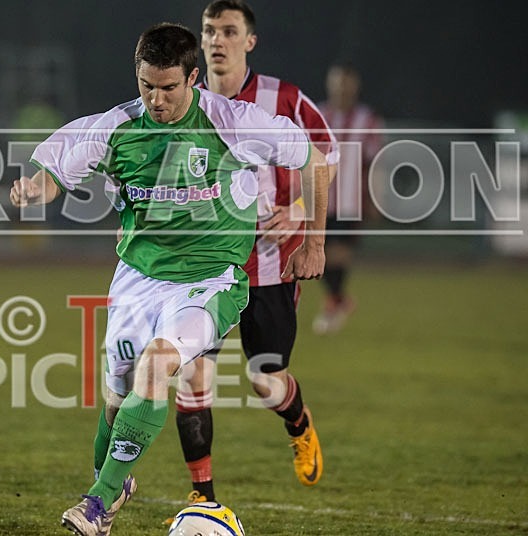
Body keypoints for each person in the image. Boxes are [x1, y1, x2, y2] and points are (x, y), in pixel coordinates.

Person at [10, 22, 330, 536]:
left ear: (193, 78)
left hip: (211, 280)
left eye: (168, 88)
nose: (156, 100)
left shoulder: (234, 122)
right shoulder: (116, 127)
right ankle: (113, 485)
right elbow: (56, 173)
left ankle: (98, 503)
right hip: (137, 277)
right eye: (147, 87)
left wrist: (314, 242)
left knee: (160, 364)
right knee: (116, 400)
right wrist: (35, 189)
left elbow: (315, 160)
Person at [168, 0, 340, 508]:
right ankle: (203, 498)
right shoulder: (180, 100)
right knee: (193, 377)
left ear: (249, 41)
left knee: (265, 380)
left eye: (228, 31)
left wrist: (305, 215)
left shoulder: (282, 99)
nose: (216, 40)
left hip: (271, 267)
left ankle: (299, 422)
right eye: (208, 31)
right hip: (204, 268)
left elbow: (324, 159)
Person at [312, 62, 384, 335]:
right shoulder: (316, 113)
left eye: (347, 82)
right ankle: (339, 300)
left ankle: (335, 302)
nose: (342, 87)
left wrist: (375, 197)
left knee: (337, 256)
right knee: (318, 260)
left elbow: (375, 161)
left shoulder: (367, 119)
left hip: (351, 201)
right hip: (318, 198)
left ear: (355, 86)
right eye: (338, 81)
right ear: (330, 83)